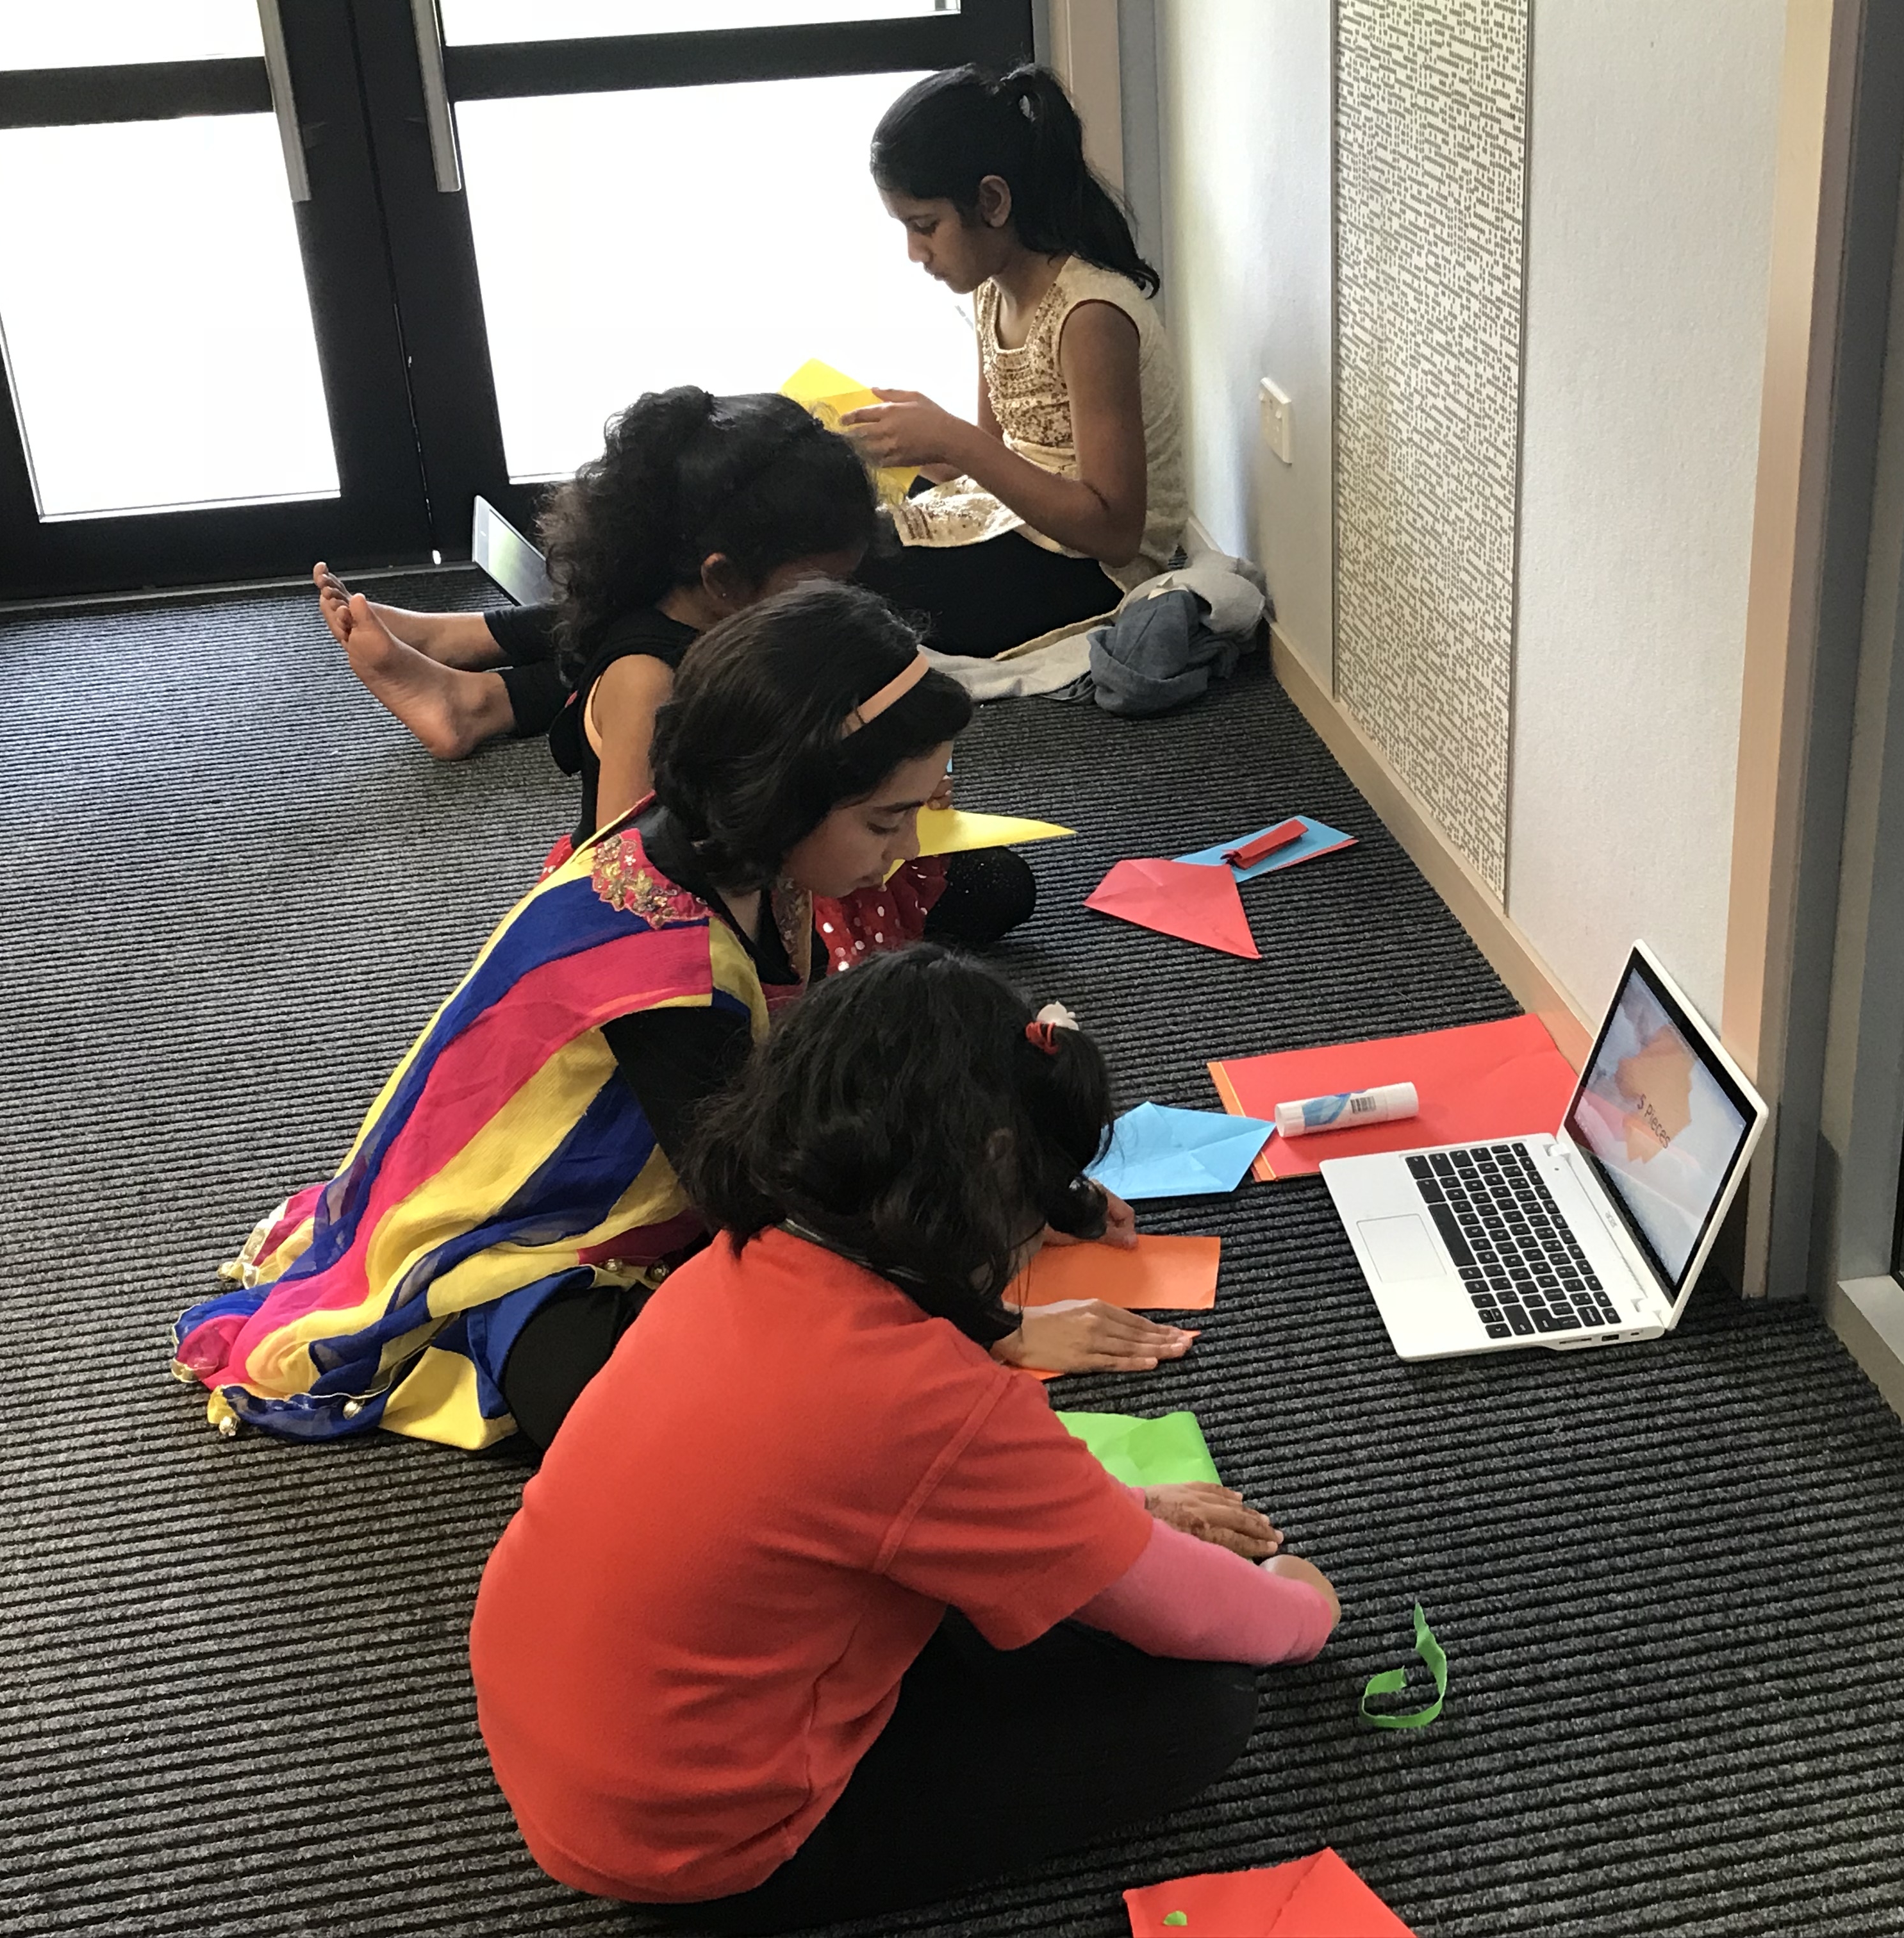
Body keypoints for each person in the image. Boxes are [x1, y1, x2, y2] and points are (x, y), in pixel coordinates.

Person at [175, 585, 1168, 1455]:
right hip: (530, 1240)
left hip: (684, 1170)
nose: (908, 846)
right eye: (885, 819)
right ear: (788, 795)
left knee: (824, 1314)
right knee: (675, 1417)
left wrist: (1039, 1187)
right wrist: (988, 1324)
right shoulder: (663, 959)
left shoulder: (746, 853)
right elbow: (757, 1195)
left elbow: (820, 1084)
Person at [469, 945, 1340, 1931]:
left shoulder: (734, 1266)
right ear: (999, 1168)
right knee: (1206, 1705)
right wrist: (1300, 1610)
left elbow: (901, 1492)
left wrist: (1123, 1513)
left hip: (567, 1742)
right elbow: (1171, 1606)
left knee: (983, 1583)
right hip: (703, 1846)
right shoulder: (933, 1402)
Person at [317, 390, 872, 822]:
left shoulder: (696, 612)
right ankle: (467, 690)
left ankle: (469, 683)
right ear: (723, 578)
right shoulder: (648, 686)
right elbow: (629, 873)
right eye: (827, 584)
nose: (840, 602)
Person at [844, 64, 1190, 656]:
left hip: (1090, 567)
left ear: (993, 201)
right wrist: (918, 440)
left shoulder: (1090, 315)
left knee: (855, 584)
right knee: (841, 524)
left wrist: (951, 439)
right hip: (1017, 517)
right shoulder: (992, 291)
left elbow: (1117, 533)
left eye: (925, 226)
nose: (914, 253)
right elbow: (995, 452)